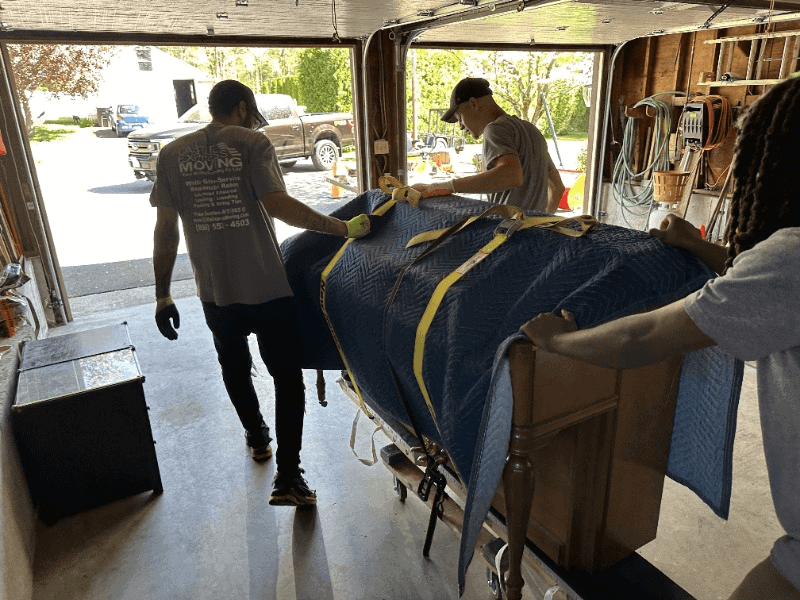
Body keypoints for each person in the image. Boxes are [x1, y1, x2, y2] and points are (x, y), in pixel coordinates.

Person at [519, 75, 800, 600]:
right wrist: (692, 246)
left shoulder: (792, 257)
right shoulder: (783, 268)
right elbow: (755, 281)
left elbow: (644, 337)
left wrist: (559, 343)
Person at [150, 79, 370, 507]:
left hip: (215, 293)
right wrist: (344, 228)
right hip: (268, 289)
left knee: (233, 368)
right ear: (243, 106)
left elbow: (165, 230)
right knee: (287, 381)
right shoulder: (252, 143)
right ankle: (288, 477)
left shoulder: (172, 154)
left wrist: (162, 294)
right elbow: (279, 205)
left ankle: (257, 439)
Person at [411, 77, 565, 213]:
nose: (460, 126)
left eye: (460, 118)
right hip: (533, 237)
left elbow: (512, 175)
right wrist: (543, 221)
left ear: (473, 103)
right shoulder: (532, 130)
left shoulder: (495, 129)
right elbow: (557, 187)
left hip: (509, 235)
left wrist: (447, 186)